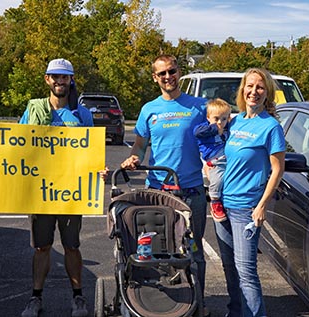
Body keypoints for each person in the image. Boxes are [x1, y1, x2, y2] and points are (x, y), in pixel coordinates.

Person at [0, 58, 99, 317]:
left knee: (72, 247)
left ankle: (78, 298)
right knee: (42, 247)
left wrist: (98, 170)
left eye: (65, 77)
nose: (60, 81)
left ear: (71, 80)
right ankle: (35, 297)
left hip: (71, 193)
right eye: (55, 77)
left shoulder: (82, 115)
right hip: (41, 192)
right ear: (47, 79)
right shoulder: (33, 108)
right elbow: (17, 145)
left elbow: (91, 153)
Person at [120, 54, 210, 316]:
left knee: (193, 251)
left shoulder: (198, 106)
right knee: (158, 251)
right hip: (158, 194)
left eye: (171, 71)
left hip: (191, 193)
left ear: (178, 72)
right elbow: (139, 144)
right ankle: (165, 305)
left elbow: (218, 133)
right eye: (162, 73)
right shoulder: (149, 109)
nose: (168, 77)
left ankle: (198, 306)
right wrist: (134, 157)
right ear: (155, 77)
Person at [213, 68, 285, 317]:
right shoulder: (234, 121)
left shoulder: (271, 127)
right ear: (243, 90)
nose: (254, 91)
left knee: (246, 271)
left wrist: (262, 205)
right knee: (230, 268)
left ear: (267, 93)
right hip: (223, 205)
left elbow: (277, 169)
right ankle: (235, 312)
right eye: (250, 86)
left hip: (247, 209)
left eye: (260, 87)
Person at [193, 98, 231, 222]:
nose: (220, 122)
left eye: (224, 119)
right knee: (217, 180)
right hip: (215, 161)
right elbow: (196, 132)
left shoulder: (227, 128)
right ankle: (215, 201)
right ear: (208, 117)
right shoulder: (204, 128)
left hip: (228, 158)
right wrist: (214, 129)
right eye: (216, 119)